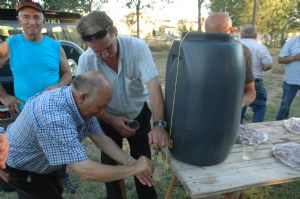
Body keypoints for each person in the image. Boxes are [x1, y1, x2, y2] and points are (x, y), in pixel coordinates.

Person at [0, 71, 155, 199]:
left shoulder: (78, 103)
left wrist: (131, 162)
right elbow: (85, 170)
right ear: (83, 97)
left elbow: (100, 138)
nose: (102, 111)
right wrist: (133, 170)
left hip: (42, 163)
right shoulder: (54, 116)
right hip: (21, 167)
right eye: (101, 106)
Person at [76, 11, 168, 199]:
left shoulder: (137, 47)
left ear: (115, 32)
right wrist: (111, 120)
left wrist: (159, 125)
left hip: (138, 113)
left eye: (108, 47)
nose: (104, 55)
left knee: (142, 159)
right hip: (106, 116)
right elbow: (84, 102)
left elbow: (153, 86)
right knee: (111, 167)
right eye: (97, 51)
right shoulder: (86, 59)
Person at [0, 0, 75, 193]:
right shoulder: (10, 45)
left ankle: (60, 178)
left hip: (54, 111)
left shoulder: (54, 45)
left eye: (36, 17)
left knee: (57, 154)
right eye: (26, 17)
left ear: (43, 20)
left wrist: (58, 86)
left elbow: (67, 73)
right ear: (19, 20)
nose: (31, 21)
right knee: (26, 161)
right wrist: (5, 97)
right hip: (24, 114)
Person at [205, 13, 256, 108]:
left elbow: (250, 91)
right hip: (229, 117)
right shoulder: (242, 51)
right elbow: (251, 91)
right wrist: (237, 106)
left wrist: (238, 105)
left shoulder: (189, 48)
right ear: (232, 30)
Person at [240, 24, 273, 123]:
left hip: (238, 82)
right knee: (259, 108)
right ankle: (256, 128)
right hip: (255, 82)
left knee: (238, 108)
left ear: (241, 34)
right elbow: (268, 65)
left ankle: (236, 131)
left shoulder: (235, 45)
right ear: (255, 34)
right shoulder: (260, 47)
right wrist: (262, 67)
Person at [276, 35, 300, 120]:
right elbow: (280, 59)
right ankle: (279, 126)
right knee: (285, 106)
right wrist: (295, 58)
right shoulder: (291, 41)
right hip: (291, 80)